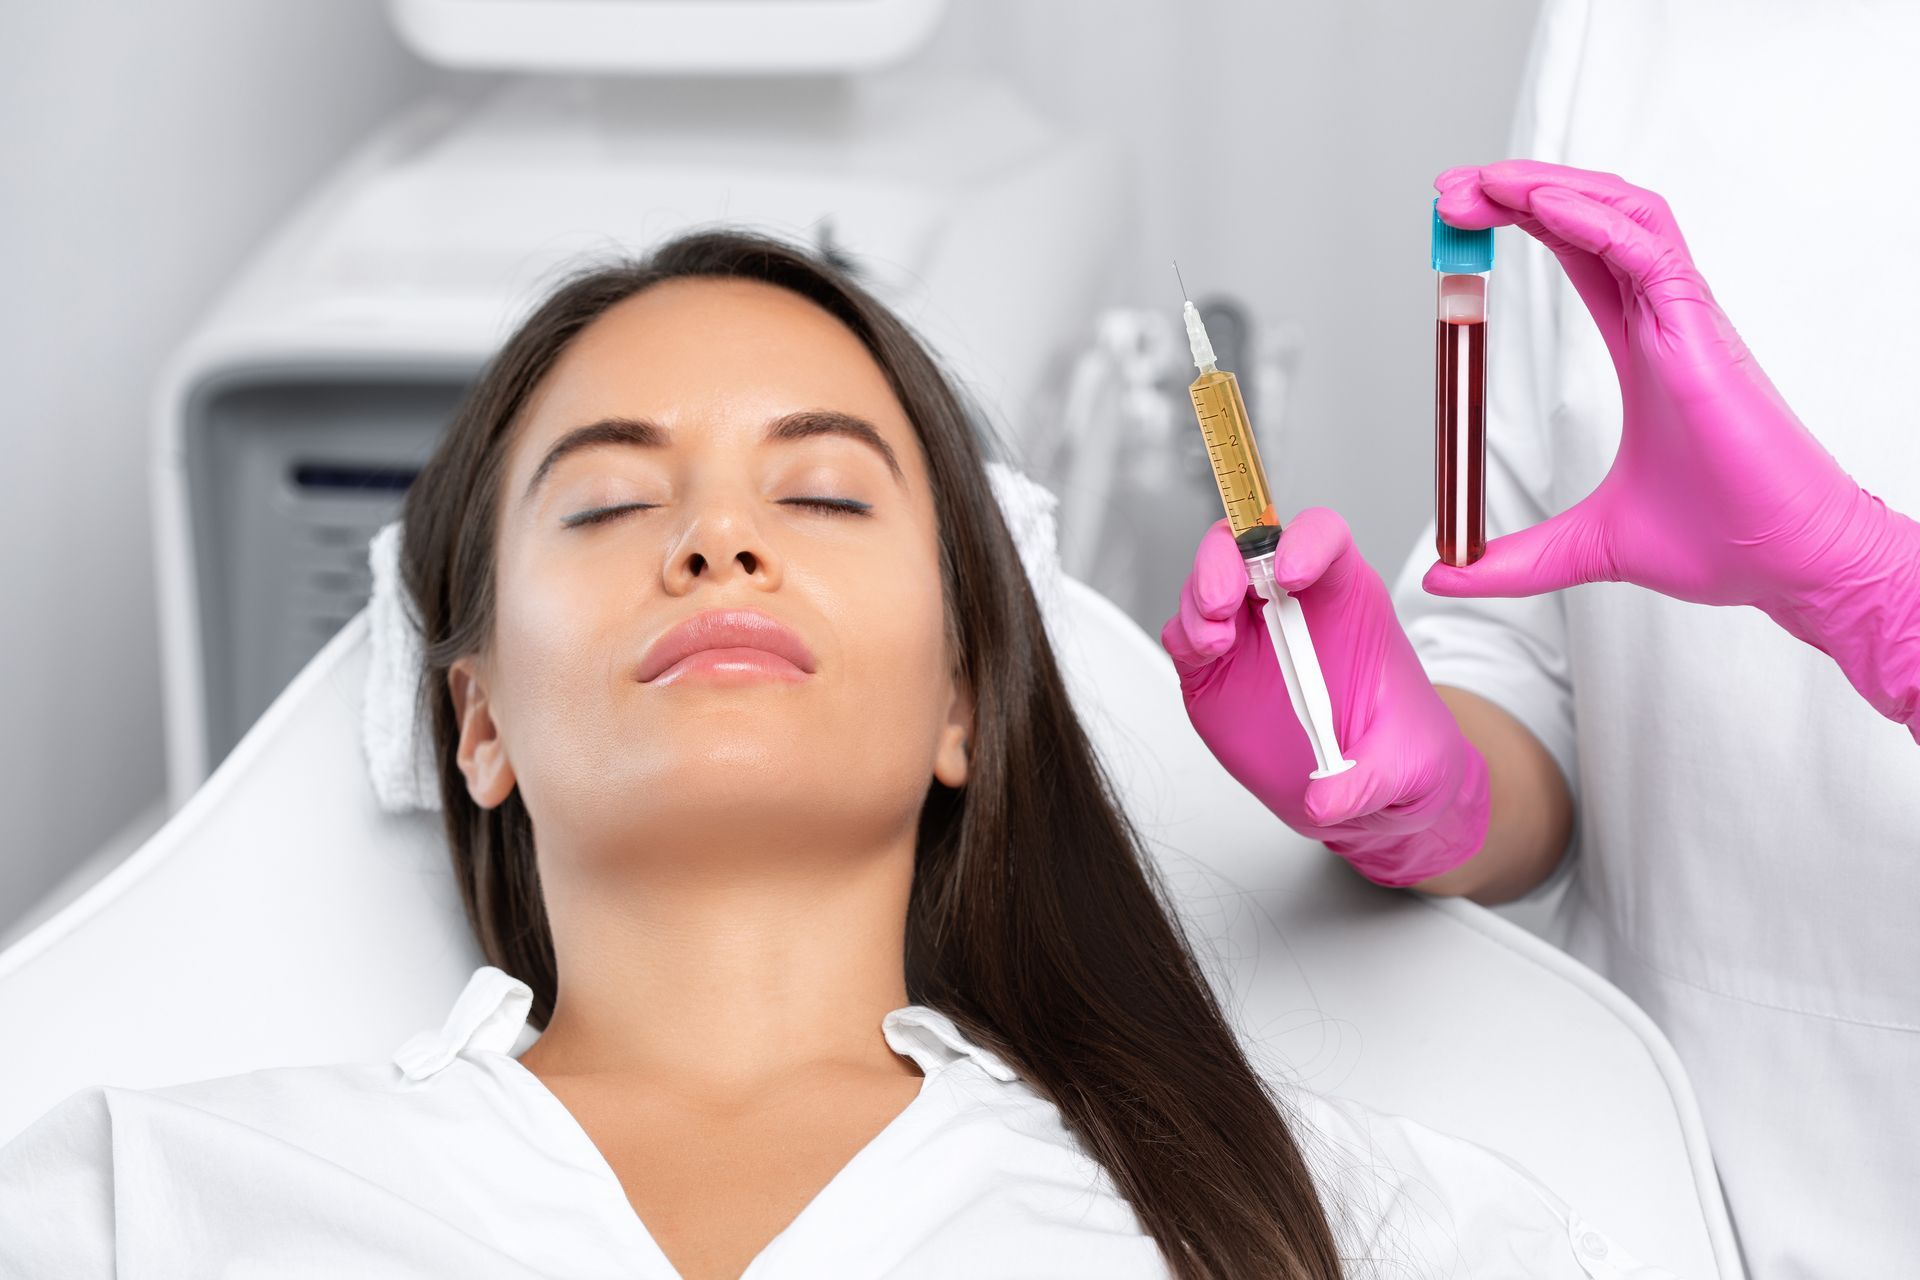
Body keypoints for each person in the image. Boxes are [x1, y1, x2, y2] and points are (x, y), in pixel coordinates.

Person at [0, 232, 1673, 1279]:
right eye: (608, 500)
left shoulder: (1324, 1224)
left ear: (963, 703)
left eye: (818, 495)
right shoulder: (148, 1200)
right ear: (480, 722)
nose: (720, 539)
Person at [1161, 6, 1919, 1276]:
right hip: (1653, 1187)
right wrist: (1434, 786)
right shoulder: (1622, 23)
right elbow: (1529, 643)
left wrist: (1883, 600)